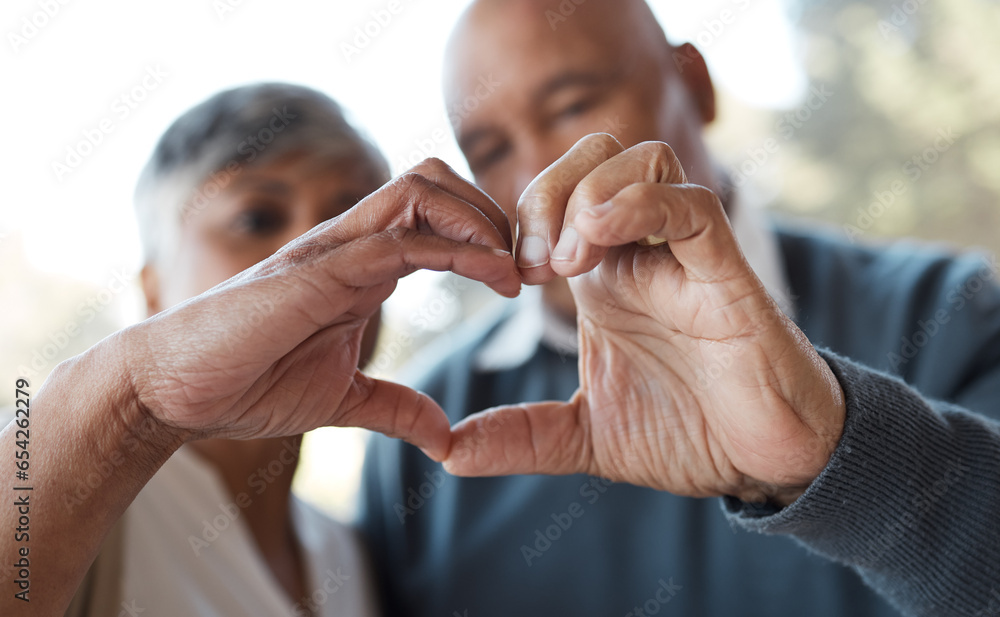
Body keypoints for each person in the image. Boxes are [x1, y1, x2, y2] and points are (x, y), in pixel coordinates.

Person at [358, 1, 1000, 616]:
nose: (534, 176)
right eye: (491, 151)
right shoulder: (422, 438)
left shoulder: (950, 311)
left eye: (573, 104)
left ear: (694, 86)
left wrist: (839, 458)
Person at [0, 82, 523, 616]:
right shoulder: (68, 505)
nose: (312, 250)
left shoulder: (353, 552)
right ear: (153, 289)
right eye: (258, 218)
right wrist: (137, 400)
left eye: (357, 222)